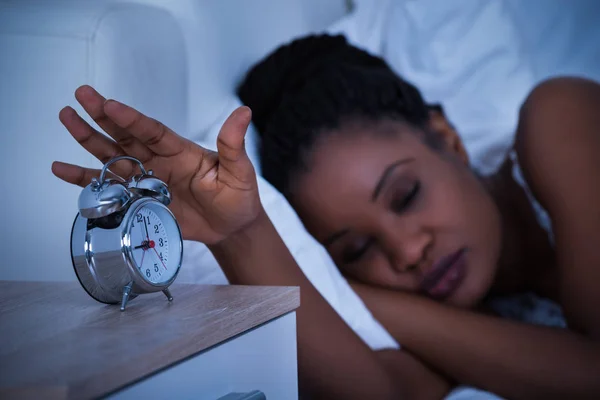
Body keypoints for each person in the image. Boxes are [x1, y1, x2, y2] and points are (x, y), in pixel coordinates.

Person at [52, 34, 600, 399]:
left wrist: (372, 297)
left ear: (448, 140)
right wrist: (240, 235)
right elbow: (385, 394)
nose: (408, 253)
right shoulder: (468, 319)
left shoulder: (560, 117)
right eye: (355, 251)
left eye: (406, 195)